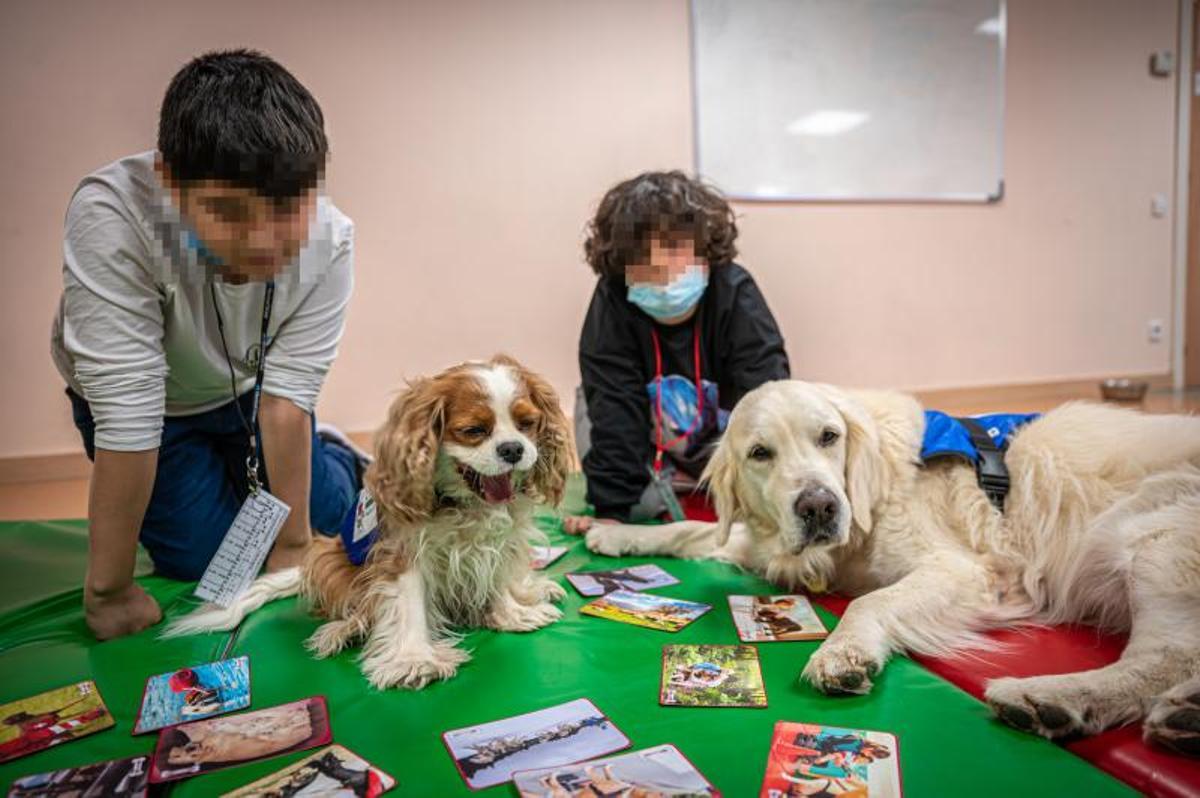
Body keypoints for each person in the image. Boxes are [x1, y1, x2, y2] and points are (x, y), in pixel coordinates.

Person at [50, 49, 366, 641]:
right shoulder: (111, 214)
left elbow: (287, 395)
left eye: (287, 209)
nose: (264, 242)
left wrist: (294, 543)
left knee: (325, 527)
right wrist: (110, 589)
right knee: (203, 560)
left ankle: (338, 456)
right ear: (170, 183)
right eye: (226, 213)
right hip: (157, 412)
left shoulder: (333, 237)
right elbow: (128, 410)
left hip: (253, 397)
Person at [565, 171, 789, 533]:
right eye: (642, 255)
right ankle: (653, 491)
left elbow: (766, 395)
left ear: (704, 246)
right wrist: (612, 512)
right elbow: (612, 404)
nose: (662, 269)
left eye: (673, 248)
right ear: (622, 264)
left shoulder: (735, 291)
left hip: (720, 442)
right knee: (635, 509)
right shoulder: (611, 300)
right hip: (648, 445)